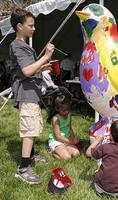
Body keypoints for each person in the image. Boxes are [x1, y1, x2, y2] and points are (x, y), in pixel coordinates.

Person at [10, 8, 55, 184]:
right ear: (19, 26)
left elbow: (29, 69)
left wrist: (42, 68)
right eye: (31, 25)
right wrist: (45, 57)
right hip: (26, 92)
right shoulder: (17, 45)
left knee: (34, 125)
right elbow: (27, 71)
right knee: (29, 128)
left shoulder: (24, 45)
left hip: (32, 91)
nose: (34, 28)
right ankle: (23, 167)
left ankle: (31, 154)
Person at [48, 94, 80, 160]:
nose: (66, 111)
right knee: (67, 157)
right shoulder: (56, 119)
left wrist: (74, 137)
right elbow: (58, 137)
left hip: (67, 139)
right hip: (56, 141)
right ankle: (52, 152)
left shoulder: (69, 115)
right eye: (63, 110)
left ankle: (63, 150)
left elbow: (70, 128)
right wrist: (71, 142)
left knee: (76, 153)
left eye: (68, 109)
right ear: (57, 109)